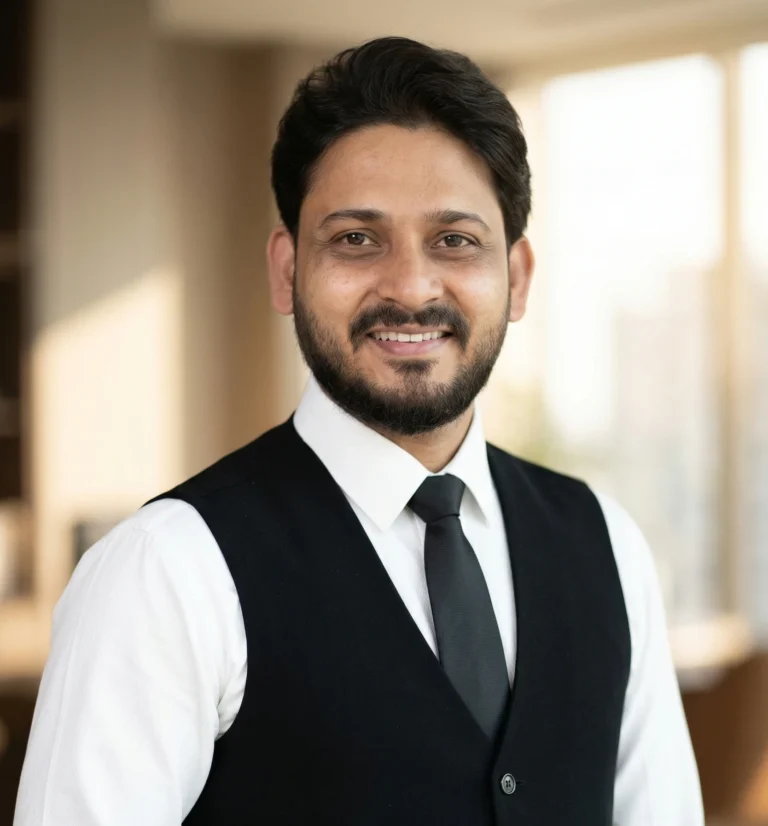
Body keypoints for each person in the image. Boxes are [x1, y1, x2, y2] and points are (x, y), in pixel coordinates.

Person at [15, 36, 703, 826]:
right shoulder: (165, 572)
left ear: (515, 278)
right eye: (355, 239)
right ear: (286, 270)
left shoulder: (606, 546)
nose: (410, 287)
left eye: (455, 240)